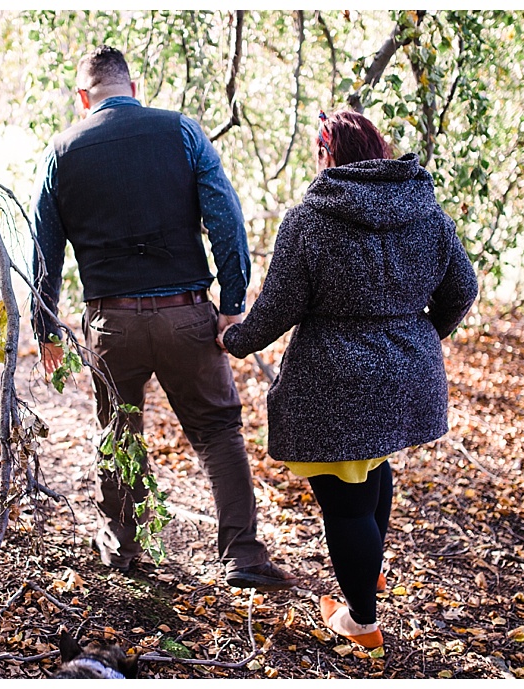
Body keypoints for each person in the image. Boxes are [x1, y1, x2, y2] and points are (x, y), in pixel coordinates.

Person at [30, 45, 297, 592]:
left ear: (84, 97)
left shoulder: (62, 151)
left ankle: (124, 547)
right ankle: (242, 555)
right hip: (185, 317)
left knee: (117, 431)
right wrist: (231, 306)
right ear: (134, 88)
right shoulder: (182, 132)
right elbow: (226, 220)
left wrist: (45, 324)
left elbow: (44, 251)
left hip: (111, 323)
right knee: (218, 429)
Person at [217, 109, 478, 650]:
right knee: (372, 464)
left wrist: (233, 340)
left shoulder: (310, 218)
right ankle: (371, 572)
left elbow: (278, 308)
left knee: (345, 503)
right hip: (407, 373)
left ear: (327, 155)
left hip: (337, 382)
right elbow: (463, 287)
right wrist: (424, 334)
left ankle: (361, 619)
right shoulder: (425, 211)